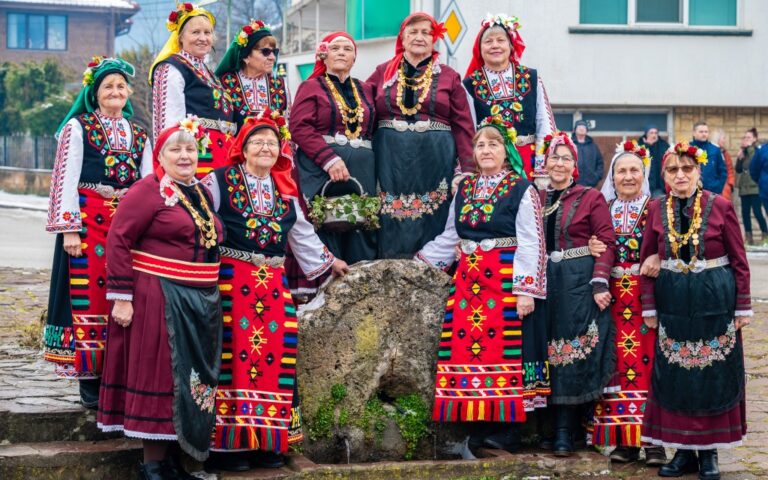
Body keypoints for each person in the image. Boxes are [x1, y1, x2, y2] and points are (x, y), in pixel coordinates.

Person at [201, 111, 348, 471]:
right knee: (233, 358)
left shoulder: (285, 190)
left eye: (272, 142)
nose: (266, 148)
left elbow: (302, 235)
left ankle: (268, 441)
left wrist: (330, 262)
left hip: (273, 288)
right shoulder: (218, 181)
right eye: (258, 142)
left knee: (275, 356)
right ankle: (229, 447)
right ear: (243, 147)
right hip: (233, 284)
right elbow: (198, 221)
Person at [98, 118, 224, 479]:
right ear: (160, 156)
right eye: (175, 149)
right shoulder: (147, 190)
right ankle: (152, 465)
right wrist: (122, 297)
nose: (185, 156)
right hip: (159, 295)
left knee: (187, 380)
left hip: (199, 299)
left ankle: (173, 462)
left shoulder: (200, 192)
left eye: (190, 149)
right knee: (161, 375)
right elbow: (118, 240)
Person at [417, 115, 547, 452]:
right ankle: (478, 423)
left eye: (493, 144)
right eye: (480, 145)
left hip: (503, 280)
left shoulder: (522, 188)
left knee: (505, 349)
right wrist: (420, 263)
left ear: (506, 151)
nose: (486, 150)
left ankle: (508, 429)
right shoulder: (465, 189)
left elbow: (532, 242)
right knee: (471, 350)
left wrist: (525, 290)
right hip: (469, 282)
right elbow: (451, 235)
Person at [43, 56, 152, 409]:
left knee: (125, 294)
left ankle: (117, 376)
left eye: (121, 86)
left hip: (127, 226)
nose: (115, 91)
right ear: (95, 93)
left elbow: (149, 183)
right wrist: (69, 229)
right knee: (91, 293)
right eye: (108, 86)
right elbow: (65, 177)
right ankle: (90, 377)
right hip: (89, 223)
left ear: (129, 92)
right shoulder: (79, 127)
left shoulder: (140, 133)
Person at [640, 142, 750, 479]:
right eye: (673, 170)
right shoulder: (656, 209)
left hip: (714, 304)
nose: (680, 175)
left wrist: (742, 306)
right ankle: (683, 453)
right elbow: (646, 261)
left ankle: (709, 454)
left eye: (687, 168)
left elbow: (739, 260)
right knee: (677, 378)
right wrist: (649, 306)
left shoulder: (720, 206)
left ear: (698, 171)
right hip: (673, 304)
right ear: (665, 175)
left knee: (711, 377)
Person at [367, 12, 475, 259]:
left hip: (435, 159)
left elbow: (464, 126)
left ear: (434, 39)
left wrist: (468, 169)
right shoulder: (383, 72)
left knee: (433, 215)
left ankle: (430, 265)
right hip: (390, 159)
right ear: (402, 39)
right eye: (413, 32)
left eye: (426, 33)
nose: (419, 37)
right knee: (389, 217)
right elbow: (362, 108)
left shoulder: (449, 76)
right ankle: (389, 266)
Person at [540, 132, 616, 457]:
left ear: (575, 164)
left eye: (566, 158)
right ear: (545, 163)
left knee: (571, 353)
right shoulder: (535, 197)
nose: (559, 163)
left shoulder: (590, 197)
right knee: (546, 352)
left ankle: (566, 430)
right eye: (554, 158)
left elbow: (607, 241)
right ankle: (550, 427)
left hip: (577, 282)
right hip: (544, 284)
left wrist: (599, 281)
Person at [590, 141, 665, 466]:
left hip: (646, 297)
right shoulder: (602, 208)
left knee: (650, 365)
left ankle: (654, 443)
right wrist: (590, 245)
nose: (628, 176)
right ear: (613, 176)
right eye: (621, 171)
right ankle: (624, 440)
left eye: (635, 170)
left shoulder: (656, 208)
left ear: (643, 174)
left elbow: (668, 243)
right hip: (611, 299)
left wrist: (658, 256)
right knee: (617, 365)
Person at [291, 32, 377, 265]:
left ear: (354, 58)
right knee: (328, 221)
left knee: (362, 226)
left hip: (363, 171)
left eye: (347, 49)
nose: (341, 53)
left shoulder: (366, 89)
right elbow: (299, 127)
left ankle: (362, 281)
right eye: (335, 48)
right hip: (322, 170)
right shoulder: (310, 87)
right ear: (323, 55)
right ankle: (328, 281)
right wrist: (329, 160)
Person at [463, 14, 555, 182]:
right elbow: (469, 133)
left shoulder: (531, 78)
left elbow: (545, 125)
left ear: (511, 46)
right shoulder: (470, 85)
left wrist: (541, 169)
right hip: (489, 167)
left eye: (500, 40)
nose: (495, 45)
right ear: (479, 49)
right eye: (488, 41)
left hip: (529, 164)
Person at [150, 3, 235, 178]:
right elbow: (168, 125)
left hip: (223, 155)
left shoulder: (208, 72)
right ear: (180, 37)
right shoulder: (172, 67)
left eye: (207, 33)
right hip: (197, 156)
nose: (203, 38)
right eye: (195, 32)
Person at [216, 19, 290, 127]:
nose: (273, 57)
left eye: (274, 52)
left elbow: (288, 126)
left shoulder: (280, 84)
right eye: (265, 52)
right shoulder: (225, 83)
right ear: (246, 56)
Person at [737, 128, 768, 245]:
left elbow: (753, 165)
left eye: (749, 137)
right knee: (745, 213)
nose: (746, 140)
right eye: (745, 137)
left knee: (757, 212)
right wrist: (739, 158)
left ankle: (765, 234)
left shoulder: (757, 150)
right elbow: (738, 169)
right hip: (744, 187)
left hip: (755, 187)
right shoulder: (744, 152)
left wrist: (748, 148)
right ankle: (749, 237)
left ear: (755, 139)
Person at [690, 121, 727, 194]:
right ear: (694, 133)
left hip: (711, 192)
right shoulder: (688, 148)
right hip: (692, 191)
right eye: (701, 132)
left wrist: (717, 187)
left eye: (706, 132)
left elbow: (723, 171)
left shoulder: (715, 150)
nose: (704, 134)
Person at [637, 125, 669, 197]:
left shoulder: (663, 144)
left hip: (660, 184)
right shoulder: (640, 144)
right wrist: (648, 145)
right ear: (646, 134)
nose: (654, 135)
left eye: (655, 133)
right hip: (646, 182)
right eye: (651, 133)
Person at [572, 120, 604, 188]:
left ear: (587, 130)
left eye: (584, 127)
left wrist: (597, 176)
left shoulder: (593, 146)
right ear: (575, 130)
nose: (581, 128)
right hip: (573, 184)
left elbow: (600, 162)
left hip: (590, 184)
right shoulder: (571, 144)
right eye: (579, 126)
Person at [711, 129, 735, 201]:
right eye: (723, 138)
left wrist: (730, 184)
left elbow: (730, 170)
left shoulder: (725, 154)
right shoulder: (710, 153)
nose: (724, 141)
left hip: (725, 189)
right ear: (717, 139)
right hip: (712, 188)